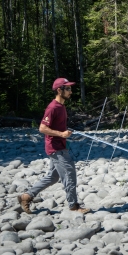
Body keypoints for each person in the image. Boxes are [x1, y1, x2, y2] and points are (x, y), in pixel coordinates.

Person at [17, 78, 90, 214]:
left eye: (70, 88)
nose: (70, 91)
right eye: (67, 89)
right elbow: (42, 128)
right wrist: (61, 134)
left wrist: (65, 132)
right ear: (59, 90)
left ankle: (26, 196)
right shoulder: (53, 107)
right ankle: (73, 206)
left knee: (53, 177)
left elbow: (57, 126)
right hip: (56, 148)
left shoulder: (62, 107)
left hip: (60, 146)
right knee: (69, 175)